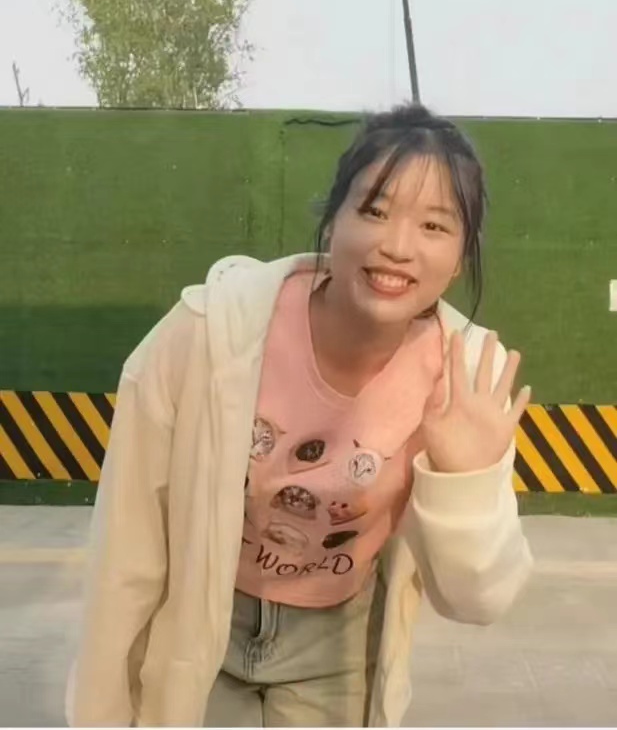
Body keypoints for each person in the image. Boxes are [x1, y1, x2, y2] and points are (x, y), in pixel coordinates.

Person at [67, 103, 533, 728]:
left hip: (337, 646)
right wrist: (101, 711)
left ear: (460, 258)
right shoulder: (207, 333)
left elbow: (477, 601)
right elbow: (125, 554)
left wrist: (463, 479)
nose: (397, 247)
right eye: (374, 210)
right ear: (333, 219)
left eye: (433, 225)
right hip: (200, 623)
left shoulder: (465, 381)